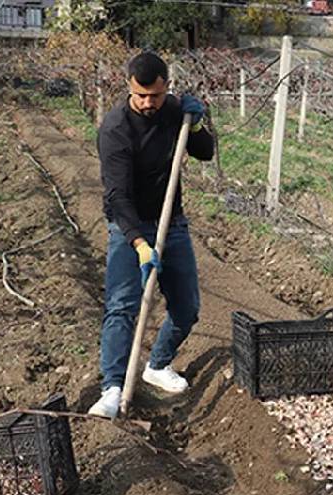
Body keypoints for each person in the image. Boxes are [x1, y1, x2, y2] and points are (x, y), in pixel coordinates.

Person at [88, 52, 217, 419]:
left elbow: (205, 153)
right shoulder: (115, 129)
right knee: (122, 307)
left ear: (166, 87)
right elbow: (117, 197)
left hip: (172, 223)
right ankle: (112, 387)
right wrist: (140, 245)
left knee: (187, 308)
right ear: (129, 87)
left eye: (155, 96)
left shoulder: (177, 111)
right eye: (141, 95)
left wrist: (194, 126)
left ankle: (157, 365)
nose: (148, 103)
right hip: (129, 225)